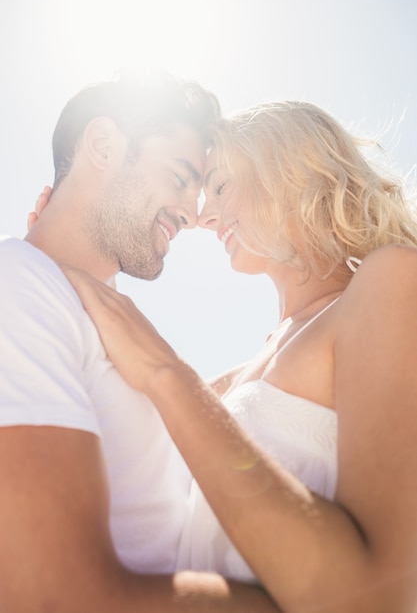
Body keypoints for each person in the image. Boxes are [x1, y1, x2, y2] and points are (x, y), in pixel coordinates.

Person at [63, 100, 417, 613]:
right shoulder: (233, 381)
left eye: (222, 186)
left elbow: (380, 598)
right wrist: (65, 263)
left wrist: (167, 374)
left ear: (290, 167)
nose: (204, 216)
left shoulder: (390, 281)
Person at [0, 74, 279, 612]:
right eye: (179, 177)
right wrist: (307, 596)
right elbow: (52, 595)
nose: (194, 215)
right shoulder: (17, 282)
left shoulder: (102, 319)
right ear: (103, 146)